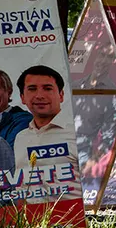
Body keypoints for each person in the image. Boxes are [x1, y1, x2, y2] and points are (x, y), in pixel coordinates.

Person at [12, 65, 83, 202]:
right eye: (32, 89)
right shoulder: (21, 138)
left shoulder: (78, 132)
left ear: (61, 95)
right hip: (35, 221)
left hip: (75, 219)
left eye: (48, 88)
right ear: (22, 98)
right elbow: (22, 187)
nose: (39, 95)